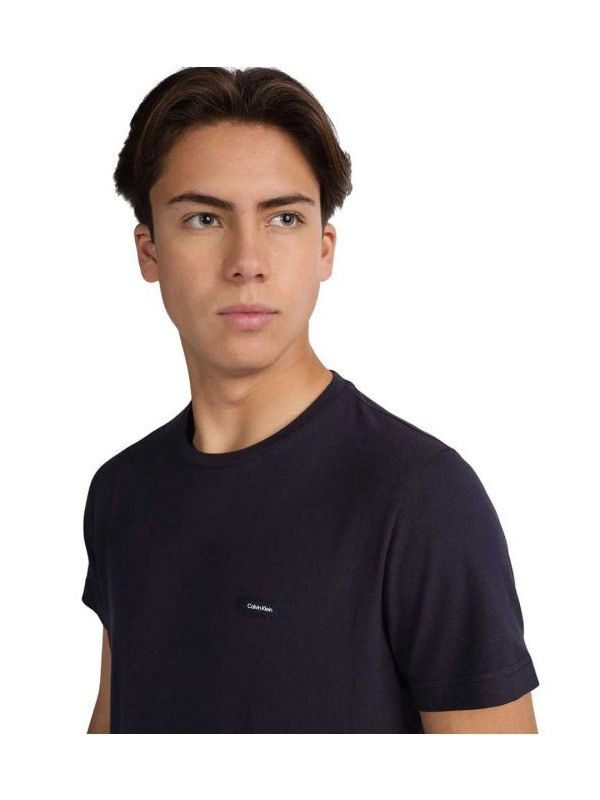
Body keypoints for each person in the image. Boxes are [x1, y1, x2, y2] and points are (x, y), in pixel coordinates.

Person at [81, 67, 539, 734]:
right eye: (204, 218)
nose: (247, 260)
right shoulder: (121, 492)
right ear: (149, 251)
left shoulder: (422, 501)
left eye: (284, 218)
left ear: (324, 249)